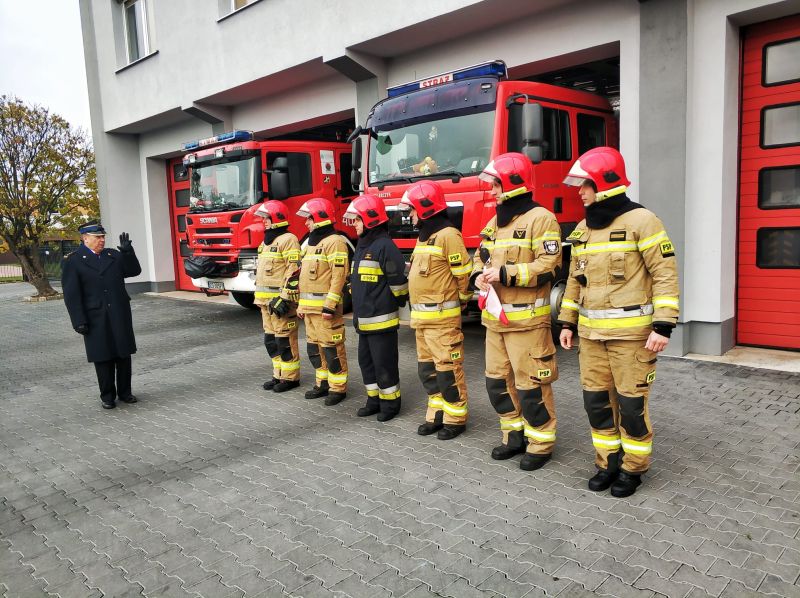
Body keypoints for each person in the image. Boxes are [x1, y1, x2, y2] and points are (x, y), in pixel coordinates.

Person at [557, 146, 679, 498]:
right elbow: (575, 280)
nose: (579, 192)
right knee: (596, 403)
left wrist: (663, 325)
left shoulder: (643, 221)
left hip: (632, 338)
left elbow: (664, 274)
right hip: (591, 337)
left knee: (631, 406)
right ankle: (607, 463)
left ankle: (633, 468)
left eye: (585, 185)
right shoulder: (583, 228)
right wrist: (566, 322)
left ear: (605, 183)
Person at [474, 152, 562, 471]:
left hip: (527, 323)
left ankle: (540, 443)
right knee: (497, 383)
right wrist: (477, 275)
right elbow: (480, 256)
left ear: (513, 183)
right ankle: (513, 436)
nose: (492, 191)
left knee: (531, 387)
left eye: (496, 185)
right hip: (495, 321)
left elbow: (549, 266)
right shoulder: (494, 222)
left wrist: (505, 274)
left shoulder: (542, 219)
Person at [399, 180, 472, 440]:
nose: (409, 215)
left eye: (412, 210)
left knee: (447, 371)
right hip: (422, 321)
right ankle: (436, 414)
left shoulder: (448, 235)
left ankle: (455, 418)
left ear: (425, 207)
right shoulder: (425, 236)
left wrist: (463, 300)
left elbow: (463, 274)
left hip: (442, 321)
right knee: (427, 372)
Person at [61, 222, 142, 409]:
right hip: (95, 316)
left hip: (119, 313)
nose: (102, 240)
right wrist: (78, 320)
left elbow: (133, 271)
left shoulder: (112, 255)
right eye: (97, 237)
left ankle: (125, 392)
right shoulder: (73, 261)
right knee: (103, 356)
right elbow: (72, 295)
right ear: (85, 238)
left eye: (103, 236)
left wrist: (128, 253)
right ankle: (107, 396)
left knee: (123, 354)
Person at [344, 194, 409, 422]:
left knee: (384, 365)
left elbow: (398, 281)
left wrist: (396, 300)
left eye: (358, 220)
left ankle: (390, 405)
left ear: (370, 219)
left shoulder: (384, 246)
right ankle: (374, 401)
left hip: (382, 321)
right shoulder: (363, 245)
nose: (355, 225)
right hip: (364, 321)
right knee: (367, 363)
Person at [296, 198, 350, 405]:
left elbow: (339, 276)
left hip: (326, 311)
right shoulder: (310, 243)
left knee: (332, 349)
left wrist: (330, 305)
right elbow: (304, 277)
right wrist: (301, 304)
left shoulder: (335, 242)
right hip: (309, 310)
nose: (306, 222)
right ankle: (322, 383)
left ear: (319, 218)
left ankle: (338, 389)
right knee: (315, 349)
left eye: (309, 218)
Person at [253, 201, 301, 393]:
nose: (263, 221)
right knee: (271, 341)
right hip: (265, 303)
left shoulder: (289, 239)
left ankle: (291, 378)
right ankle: (278, 374)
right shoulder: (266, 242)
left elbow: (294, 270)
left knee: (285, 341)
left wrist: (285, 297)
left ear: (277, 218)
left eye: (266, 218)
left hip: (280, 303)